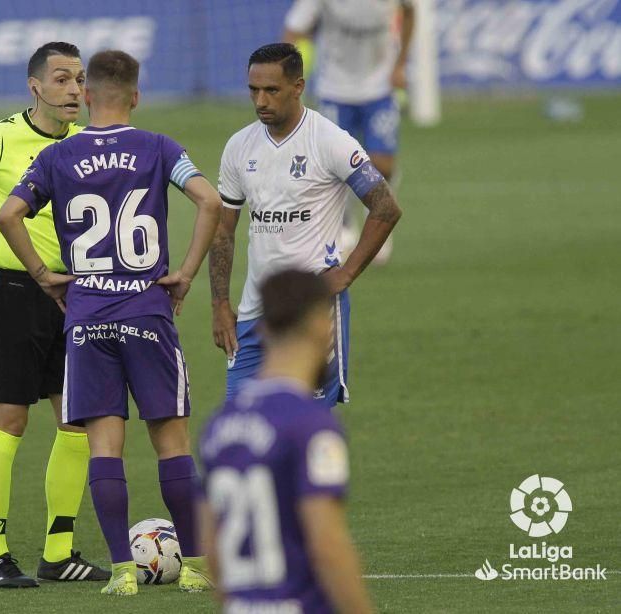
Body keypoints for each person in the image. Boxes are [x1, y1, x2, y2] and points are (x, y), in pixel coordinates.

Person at [0, 49, 222, 596]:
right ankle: (194, 566)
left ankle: (122, 571)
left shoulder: (59, 154)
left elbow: (8, 215)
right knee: (172, 445)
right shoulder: (160, 147)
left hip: (88, 318)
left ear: (88, 96)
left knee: (104, 449)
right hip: (147, 312)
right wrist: (186, 273)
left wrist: (43, 274)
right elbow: (209, 201)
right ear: (137, 97)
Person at [0, 41, 109, 588]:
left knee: (75, 423)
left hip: (75, 296)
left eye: (79, 80)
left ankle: (59, 552)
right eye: (61, 80)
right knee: (9, 422)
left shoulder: (87, 144)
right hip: (10, 294)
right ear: (35, 86)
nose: (74, 91)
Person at [210, 43, 402, 402]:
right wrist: (220, 304)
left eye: (272, 90)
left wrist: (346, 274)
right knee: (241, 421)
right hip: (254, 312)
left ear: (297, 87)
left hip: (312, 313)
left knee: (303, 430)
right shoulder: (239, 147)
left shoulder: (330, 141)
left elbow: (386, 207)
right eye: (254, 90)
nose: (261, 101)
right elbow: (224, 230)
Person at [200, 269, 375, 614]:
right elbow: (327, 544)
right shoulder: (312, 425)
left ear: (263, 328)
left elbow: (211, 544)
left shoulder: (219, 425)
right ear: (319, 325)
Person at [284, 0, 414, 263]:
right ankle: (343, 224)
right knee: (336, 166)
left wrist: (400, 64)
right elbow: (293, 30)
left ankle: (378, 216)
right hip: (335, 89)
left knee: (382, 163)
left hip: (379, 87)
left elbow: (411, 11)